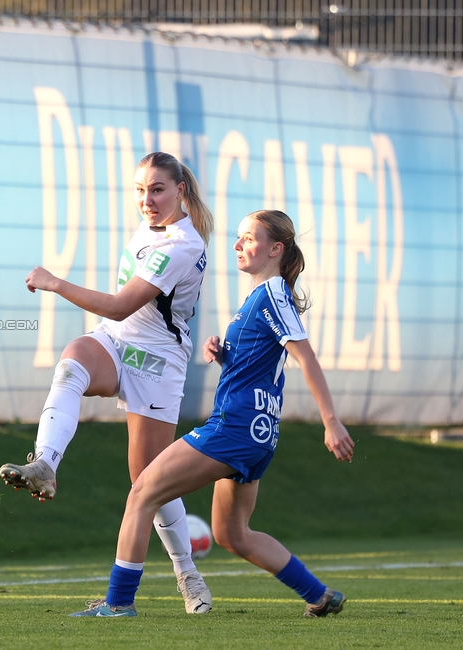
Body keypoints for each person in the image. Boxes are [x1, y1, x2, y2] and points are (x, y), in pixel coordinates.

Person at [72, 209, 355, 618]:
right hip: (260, 434)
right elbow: (263, 365)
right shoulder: (263, 297)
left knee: (143, 492)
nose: (238, 245)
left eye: (249, 238)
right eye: (238, 237)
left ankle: (118, 603)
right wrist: (227, 358)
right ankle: (319, 594)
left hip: (235, 428)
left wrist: (331, 421)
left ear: (276, 249)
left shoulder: (272, 292)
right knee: (231, 533)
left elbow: (305, 357)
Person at [0, 151, 215, 614]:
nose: (147, 199)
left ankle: (187, 575)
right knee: (72, 360)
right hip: (117, 342)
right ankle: (45, 464)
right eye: (140, 190)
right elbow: (119, 320)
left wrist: (56, 283)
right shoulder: (152, 228)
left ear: (180, 190)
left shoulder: (183, 245)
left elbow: (119, 305)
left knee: (148, 481)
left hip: (156, 362)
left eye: (157, 189)